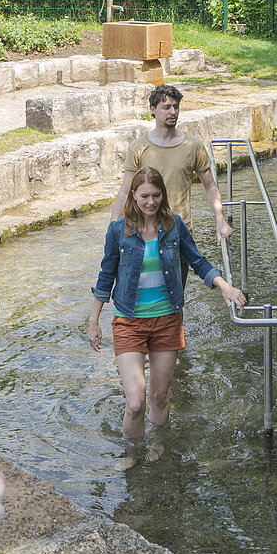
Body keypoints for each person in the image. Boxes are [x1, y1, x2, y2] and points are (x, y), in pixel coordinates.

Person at [88, 167, 246, 443]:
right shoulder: (118, 231)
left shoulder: (174, 225)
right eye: (145, 196)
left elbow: (198, 261)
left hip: (167, 322)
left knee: (160, 397)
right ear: (133, 195)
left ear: (163, 194)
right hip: (129, 322)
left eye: (157, 195)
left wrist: (225, 287)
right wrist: (94, 322)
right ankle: (132, 456)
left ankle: (158, 450)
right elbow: (106, 275)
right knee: (136, 402)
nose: (151, 202)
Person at [111, 83, 233, 244]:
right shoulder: (138, 147)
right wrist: (113, 228)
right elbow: (125, 191)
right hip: (145, 234)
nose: (173, 112)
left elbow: (210, 186)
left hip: (180, 232)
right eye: (166, 107)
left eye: (176, 107)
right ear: (153, 109)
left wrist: (220, 219)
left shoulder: (193, 145)